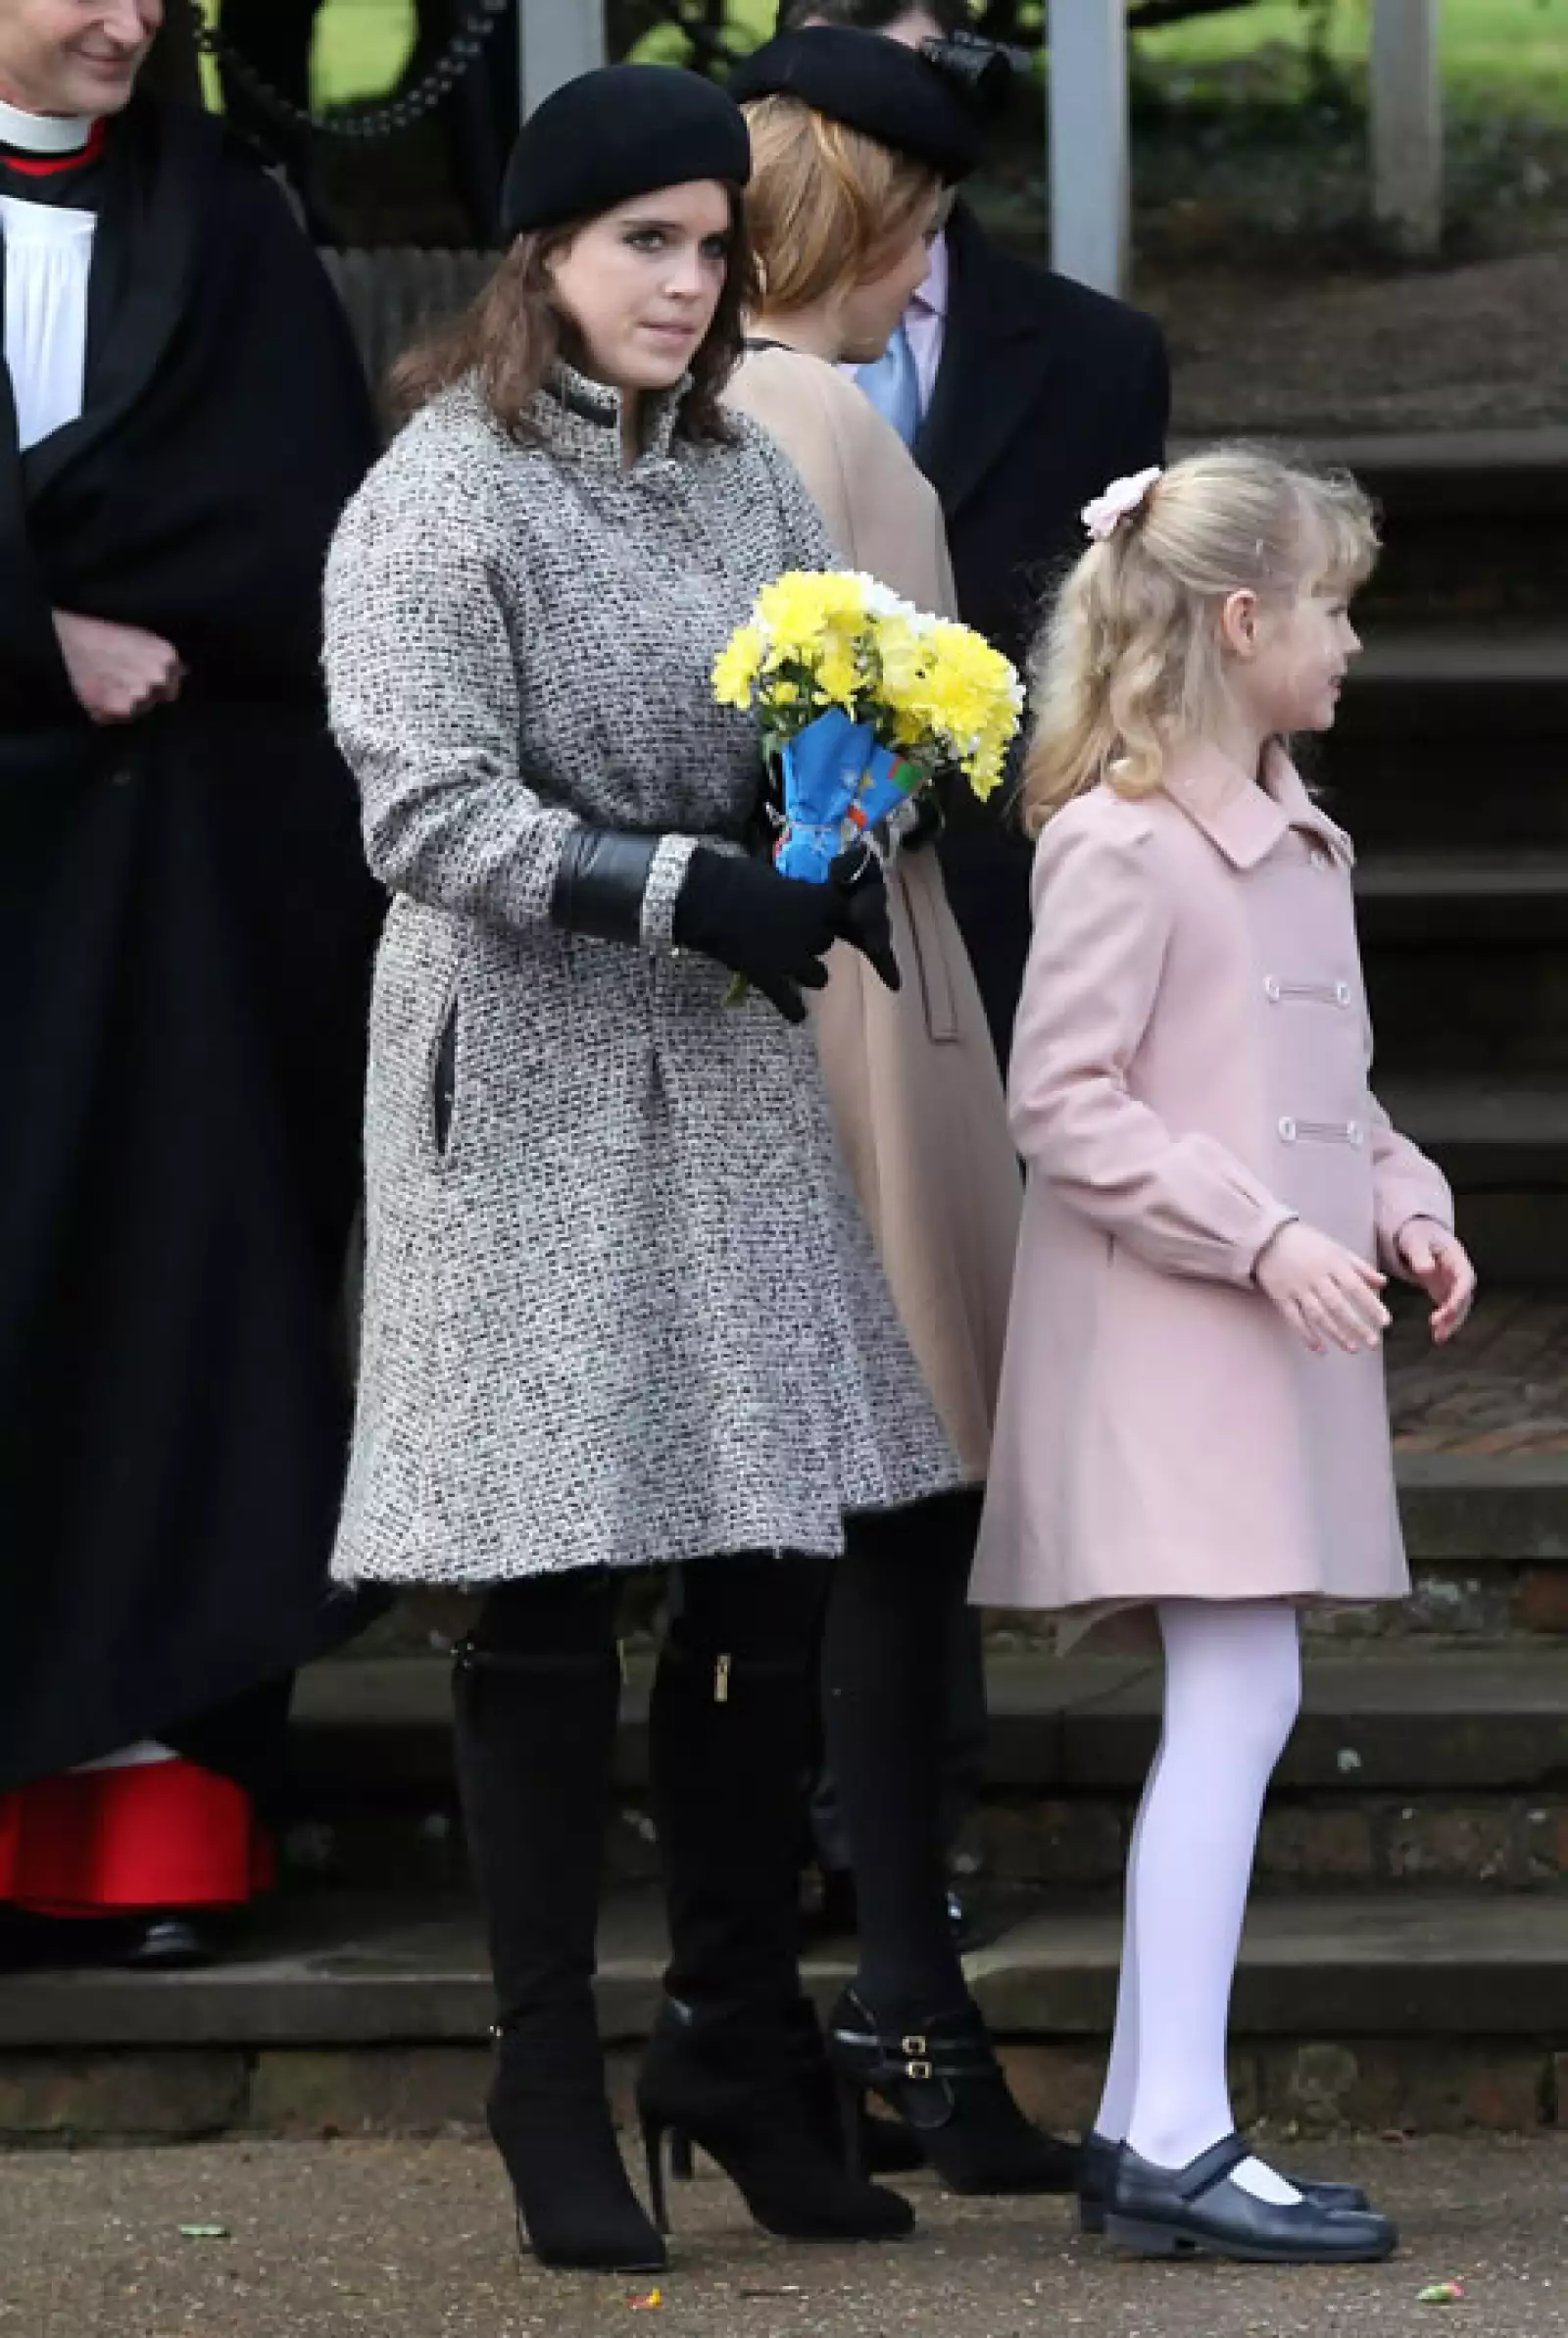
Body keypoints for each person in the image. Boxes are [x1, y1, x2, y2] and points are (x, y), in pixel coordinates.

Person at [322, 62, 986, 2278]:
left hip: (712, 1079)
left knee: (763, 1565)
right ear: (544, 256)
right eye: (648, 247)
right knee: (537, 1583)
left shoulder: (735, 480)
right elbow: (421, 811)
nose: (691, 289)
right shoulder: (440, 490)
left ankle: (731, 2032)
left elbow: (815, 709)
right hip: (516, 1076)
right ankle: (539, 2074)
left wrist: (852, 799)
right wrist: (670, 885)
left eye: (714, 249)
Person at [972, 447, 1479, 2263]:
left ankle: (1136, 2124)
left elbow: (1322, 1089)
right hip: (1180, 1336)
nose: (1351, 645)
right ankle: (1175, 2126)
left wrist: (1400, 1194)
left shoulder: (1289, 832)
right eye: (1335, 610)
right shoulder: (1125, 840)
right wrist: (1264, 1234)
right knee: (1241, 1701)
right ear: (1244, 622)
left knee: (1241, 1701)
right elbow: (1067, 1101)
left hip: (1264, 1330)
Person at [723, 25, 1072, 2199]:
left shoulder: (680, 416)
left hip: (782, 988)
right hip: (871, 991)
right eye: (915, 222)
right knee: (890, 1515)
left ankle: (844, 2015)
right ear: (872, 224)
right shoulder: (824, 414)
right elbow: (935, 734)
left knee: (830, 1526)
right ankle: (898, 2023)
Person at [0, 0, 382, 1965]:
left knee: (179, 1314)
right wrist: (31, 624)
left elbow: (294, 519)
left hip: (186, 890)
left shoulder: (225, 219)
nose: (126, 19)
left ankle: (155, 1841)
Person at [779, 0, 1171, 1072]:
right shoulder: (678, 346)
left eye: (904, 88)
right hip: (743, 928)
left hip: (1002, 919)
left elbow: (1121, 657)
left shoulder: (1101, 359)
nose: (874, 128)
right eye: (838, 95)